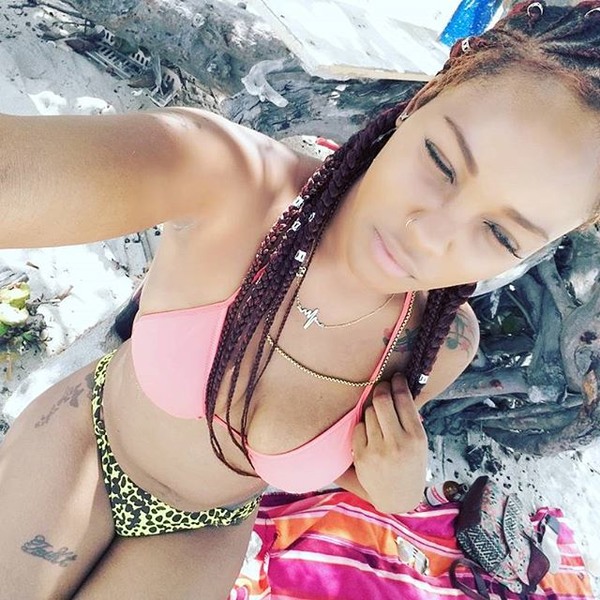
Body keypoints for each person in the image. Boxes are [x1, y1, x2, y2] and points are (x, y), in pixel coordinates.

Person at [0, 1, 599, 598]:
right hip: (88, 447)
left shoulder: (441, 343)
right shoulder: (233, 181)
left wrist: (394, 489)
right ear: (420, 101)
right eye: (441, 163)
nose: (429, 234)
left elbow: (346, 457)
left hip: (204, 529)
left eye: (499, 234)